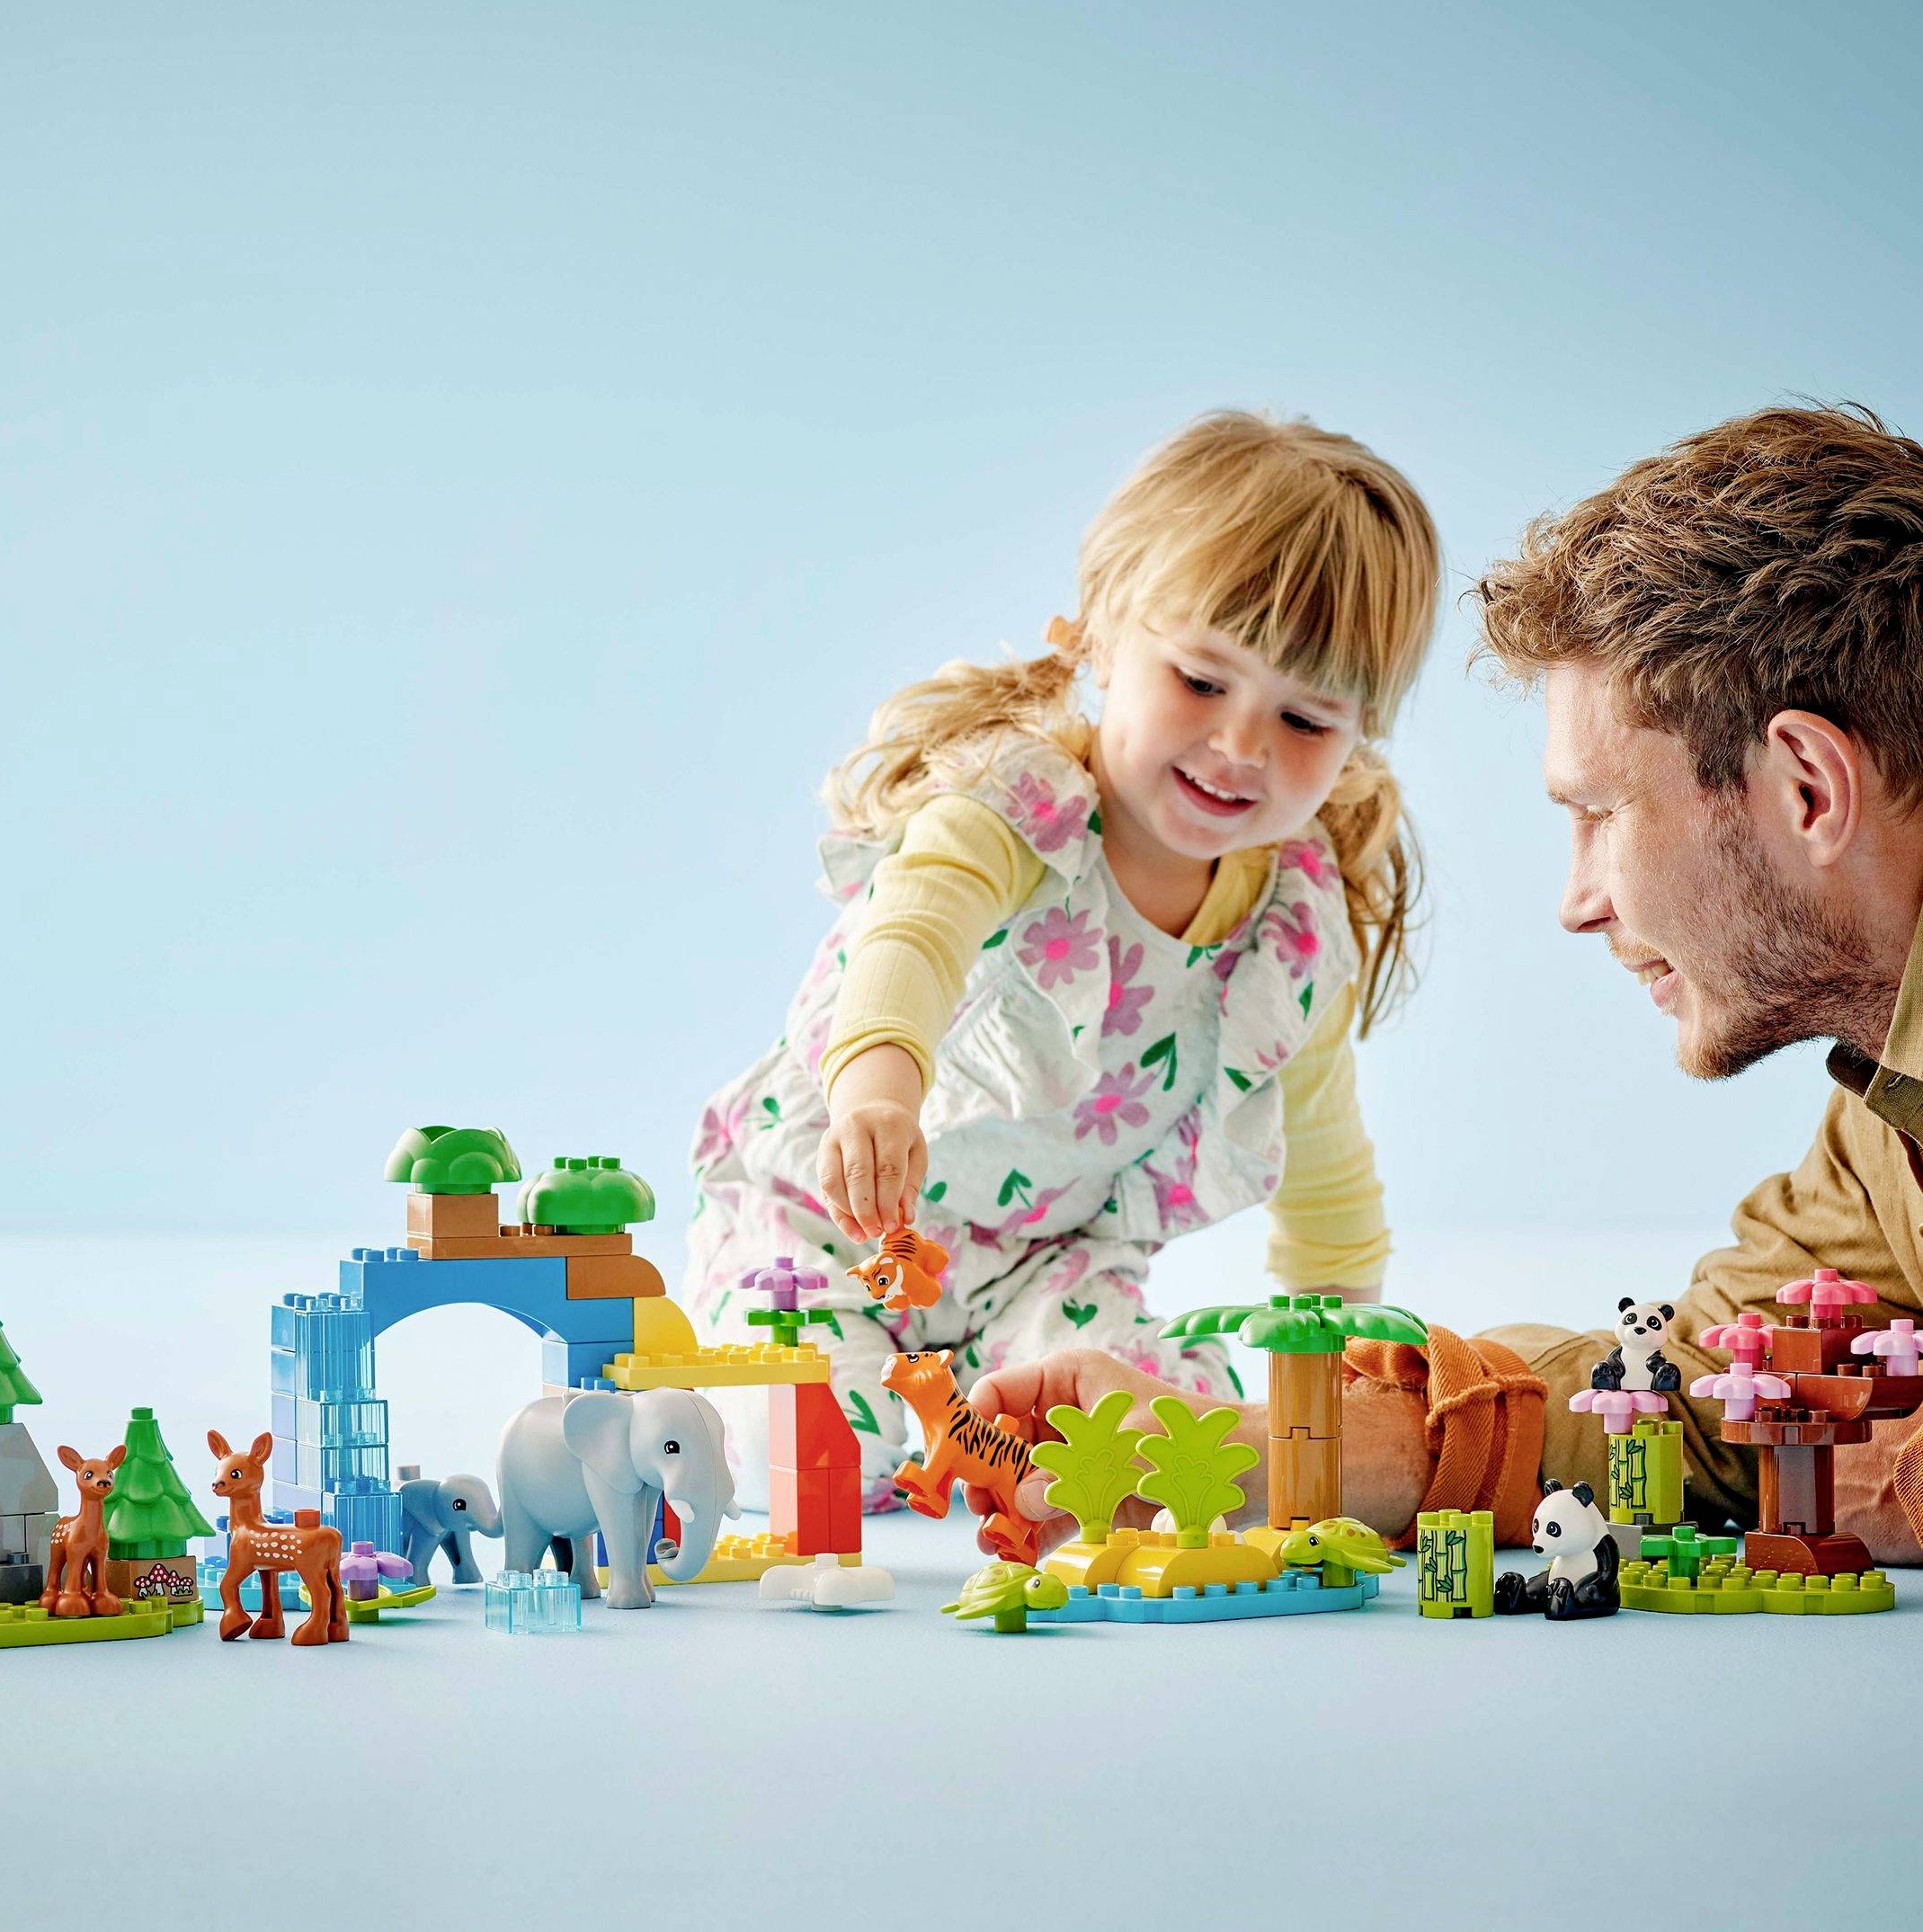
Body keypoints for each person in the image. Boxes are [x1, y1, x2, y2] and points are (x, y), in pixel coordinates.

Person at [975, 404, 1923, 1566]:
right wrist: (1253, 1451)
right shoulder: (1889, 1124)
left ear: (1809, 791)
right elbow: (1699, 1401)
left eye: (1597, 813)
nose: (1578, 903)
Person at [683, 412, 1440, 1509]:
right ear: (1099, 634)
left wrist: (1341, 1370)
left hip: (1047, 1263)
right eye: (1199, 679)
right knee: (808, 1453)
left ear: (1359, 733)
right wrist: (879, 1090)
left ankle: (1000, 1454)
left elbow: (1323, 1153)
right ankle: (833, 1418)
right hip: (829, 1221)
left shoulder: (1291, 929)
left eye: (1305, 719)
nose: (1240, 746)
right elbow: (912, 933)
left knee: (1150, 1420)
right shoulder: (1018, 809)